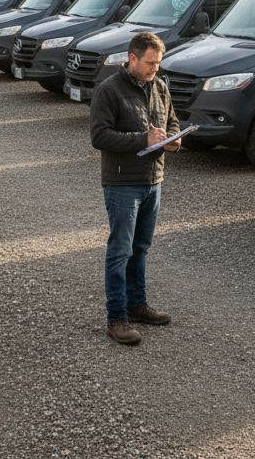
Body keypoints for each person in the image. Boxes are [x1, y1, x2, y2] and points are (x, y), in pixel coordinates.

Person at [89, 31, 181, 345]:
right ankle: (117, 318)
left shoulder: (160, 87)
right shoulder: (109, 90)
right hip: (122, 183)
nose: (155, 68)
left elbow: (171, 122)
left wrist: (174, 139)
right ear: (132, 58)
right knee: (120, 252)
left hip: (153, 180)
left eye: (158, 63)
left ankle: (137, 306)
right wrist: (143, 139)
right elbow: (99, 137)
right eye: (150, 62)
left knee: (140, 249)